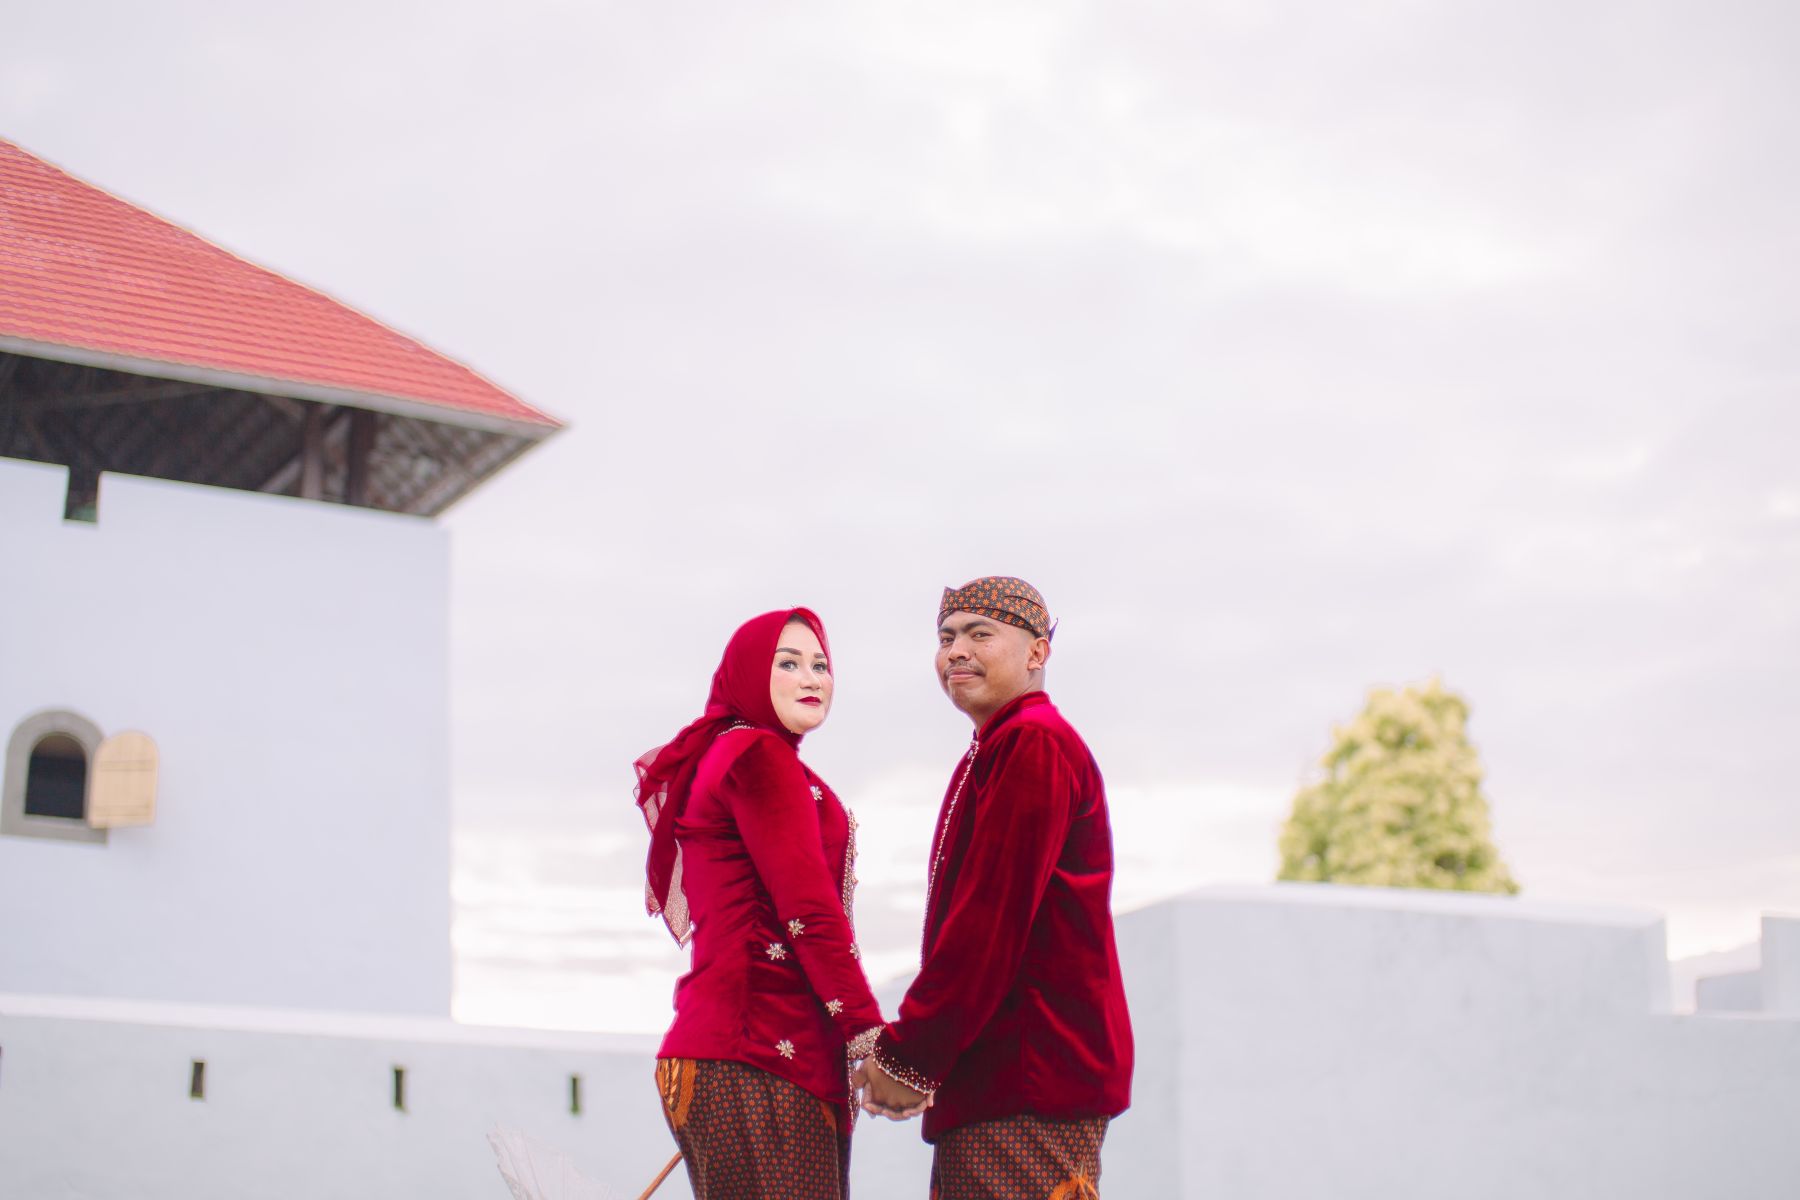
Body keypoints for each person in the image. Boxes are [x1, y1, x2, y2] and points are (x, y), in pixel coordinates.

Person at [858, 577, 1134, 1200]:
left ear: (1037, 652)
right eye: (946, 637)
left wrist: (910, 1054)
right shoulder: (999, 746)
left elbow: (989, 922)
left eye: (980, 634)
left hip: (1028, 1075)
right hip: (1006, 1077)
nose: (956, 650)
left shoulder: (1033, 742)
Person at [635, 607, 885, 1200]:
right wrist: (868, 1034)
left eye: (821, 664)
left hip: (749, 1053)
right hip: (756, 1053)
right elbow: (808, 910)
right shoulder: (756, 755)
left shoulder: (737, 752)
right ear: (748, 674)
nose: (811, 678)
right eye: (788, 663)